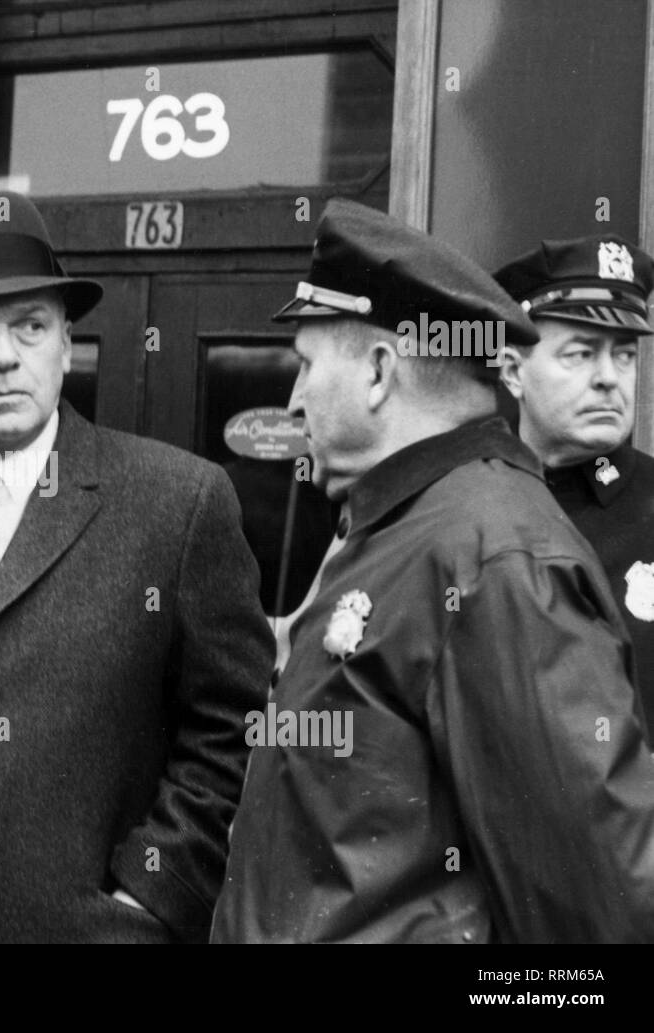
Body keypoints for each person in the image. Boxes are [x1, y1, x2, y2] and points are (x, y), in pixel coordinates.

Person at [212, 198, 654, 943]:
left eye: (307, 364)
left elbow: (597, 910)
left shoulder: (491, 553)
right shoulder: (411, 522)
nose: (293, 397)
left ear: (381, 371)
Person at [0, 192, 273, 943]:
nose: (4, 355)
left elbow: (233, 725)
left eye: (30, 327)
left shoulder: (178, 501)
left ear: (67, 345)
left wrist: (149, 896)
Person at [495, 235, 654, 725]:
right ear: (513, 372)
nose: (609, 377)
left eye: (624, 355)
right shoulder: (471, 506)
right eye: (581, 354)